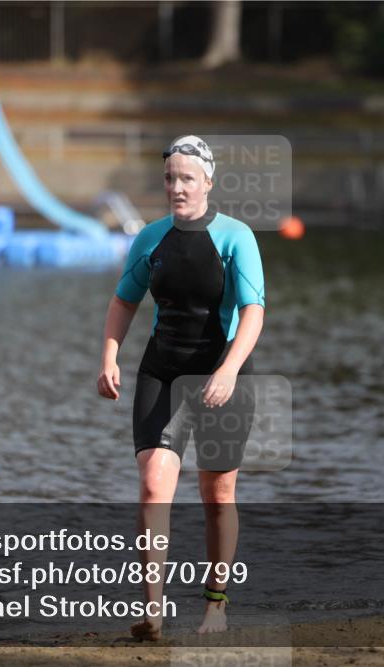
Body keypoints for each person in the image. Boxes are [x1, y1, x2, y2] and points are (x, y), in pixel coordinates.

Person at [97, 135, 265, 640]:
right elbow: (124, 300)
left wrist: (229, 370)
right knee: (153, 484)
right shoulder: (149, 238)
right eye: (170, 178)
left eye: (187, 178)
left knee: (218, 492)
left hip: (222, 372)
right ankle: (153, 610)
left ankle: (216, 604)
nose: (176, 187)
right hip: (162, 371)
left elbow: (254, 313)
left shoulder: (236, 237)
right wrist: (109, 354)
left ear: (208, 183)